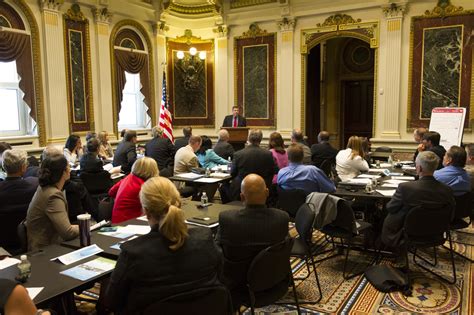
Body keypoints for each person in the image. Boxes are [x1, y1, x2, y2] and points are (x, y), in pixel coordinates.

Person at [105, 177, 223, 313]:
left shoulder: (133, 253)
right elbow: (221, 277)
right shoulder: (204, 237)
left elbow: (112, 301)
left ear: (146, 211)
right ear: (178, 203)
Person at [216, 174, 289, 307]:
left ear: (242, 196)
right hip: (275, 280)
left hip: (237, 287)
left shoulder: (227, 219)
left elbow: (217, 249)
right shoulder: (282, 218)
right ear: (267, 193)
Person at [381, 151, 455, 249]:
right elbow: (451, 214)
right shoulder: (447, 190)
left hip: (405, 233)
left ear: (419, 168)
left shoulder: (405, 187)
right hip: (435, 232)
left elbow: (390, 208)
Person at [26, 155, 79, 251]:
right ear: (63, 172)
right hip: (46, 251)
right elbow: (68, 232)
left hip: (42, 245)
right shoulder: (53, 195)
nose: (70, 170)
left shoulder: (43, 188)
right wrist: (85, 226)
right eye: (68, 167)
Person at [0, 149, 39, 251]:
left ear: (4, 167)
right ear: (23, 168)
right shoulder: (35, 185)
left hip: (3, 243)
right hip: (30, 239)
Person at [229, 129, 276, 200]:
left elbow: (232, 173)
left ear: (249, 139)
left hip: (241, 190)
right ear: (260, 139)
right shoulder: (268, 154)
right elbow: (274, 170)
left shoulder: (238, 154)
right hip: (261, 189)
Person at [109, 157, 159, 224]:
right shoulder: (143, 186)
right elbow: (155, 207)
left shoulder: (128, 177)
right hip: (129, 223)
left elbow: (111, 192)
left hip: (117, 220)